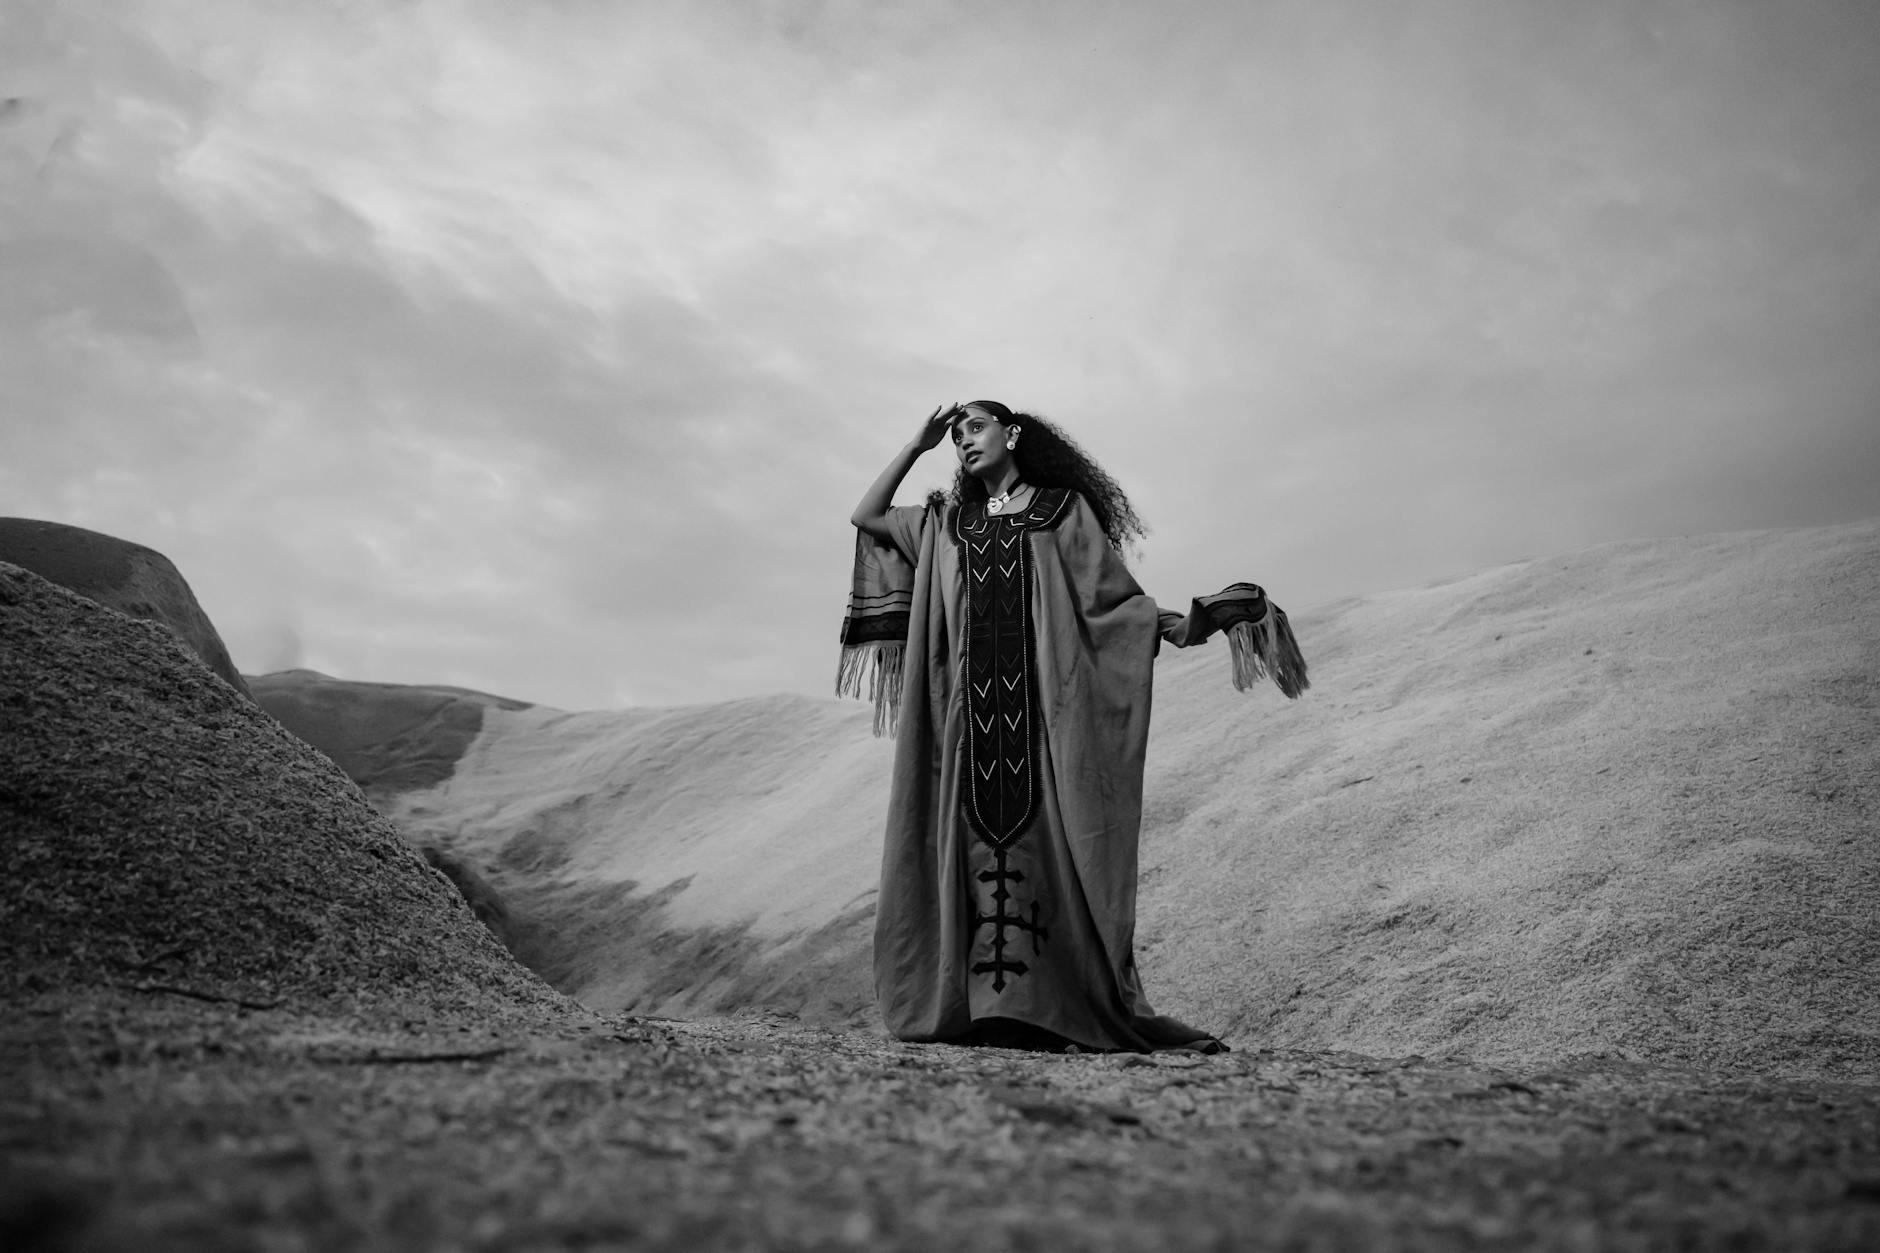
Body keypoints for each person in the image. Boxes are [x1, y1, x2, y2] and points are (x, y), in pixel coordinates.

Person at [840, 400, 1306, 1053]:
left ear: (1014, 434)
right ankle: (982, 1008)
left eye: (975, 427)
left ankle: (1046, 1007)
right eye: (955, 436)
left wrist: (1179, 623)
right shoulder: (950, 524)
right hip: (967, 732)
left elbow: (1111, 601)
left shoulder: (1061, 512)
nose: (964, 441)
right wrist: (916, 444)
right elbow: (867, 515)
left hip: (1041, 727)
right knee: (969, 856)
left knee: (1049, 858)